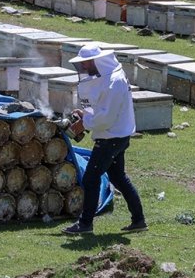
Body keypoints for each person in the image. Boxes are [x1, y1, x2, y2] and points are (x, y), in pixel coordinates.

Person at [62, 44, 147, 235]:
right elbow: (101, 108)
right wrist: (84, 114)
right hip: (116, 135)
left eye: (85, 63)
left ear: (96, 61)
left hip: (111, 138)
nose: (83, 67)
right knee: (118, 178)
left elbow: (107, 117)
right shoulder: (107, 79)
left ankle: (85, 224)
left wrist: (85, 122)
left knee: (91, 179)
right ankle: (139, 220)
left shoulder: (114, 82)